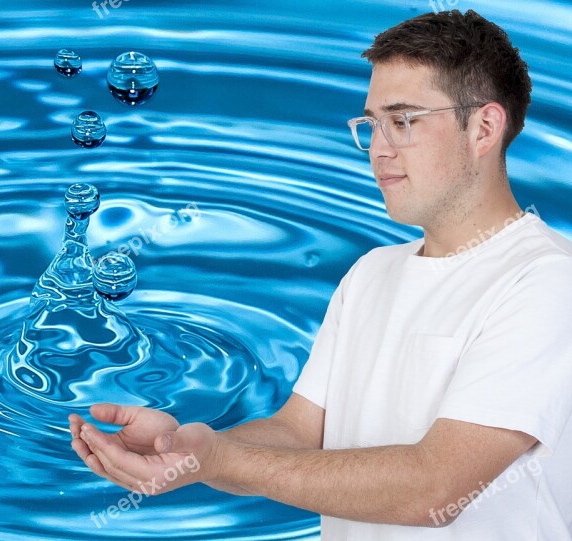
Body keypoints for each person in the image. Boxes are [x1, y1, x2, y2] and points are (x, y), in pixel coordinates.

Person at [69, 9, 572, 539]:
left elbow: (435, 489)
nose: (379, 148)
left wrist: (217, 462)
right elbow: (300, 432)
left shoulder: (546, 282)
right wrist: (183, 449)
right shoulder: (371, 273)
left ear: (484, 128)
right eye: (371, 123)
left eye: (403, 120)